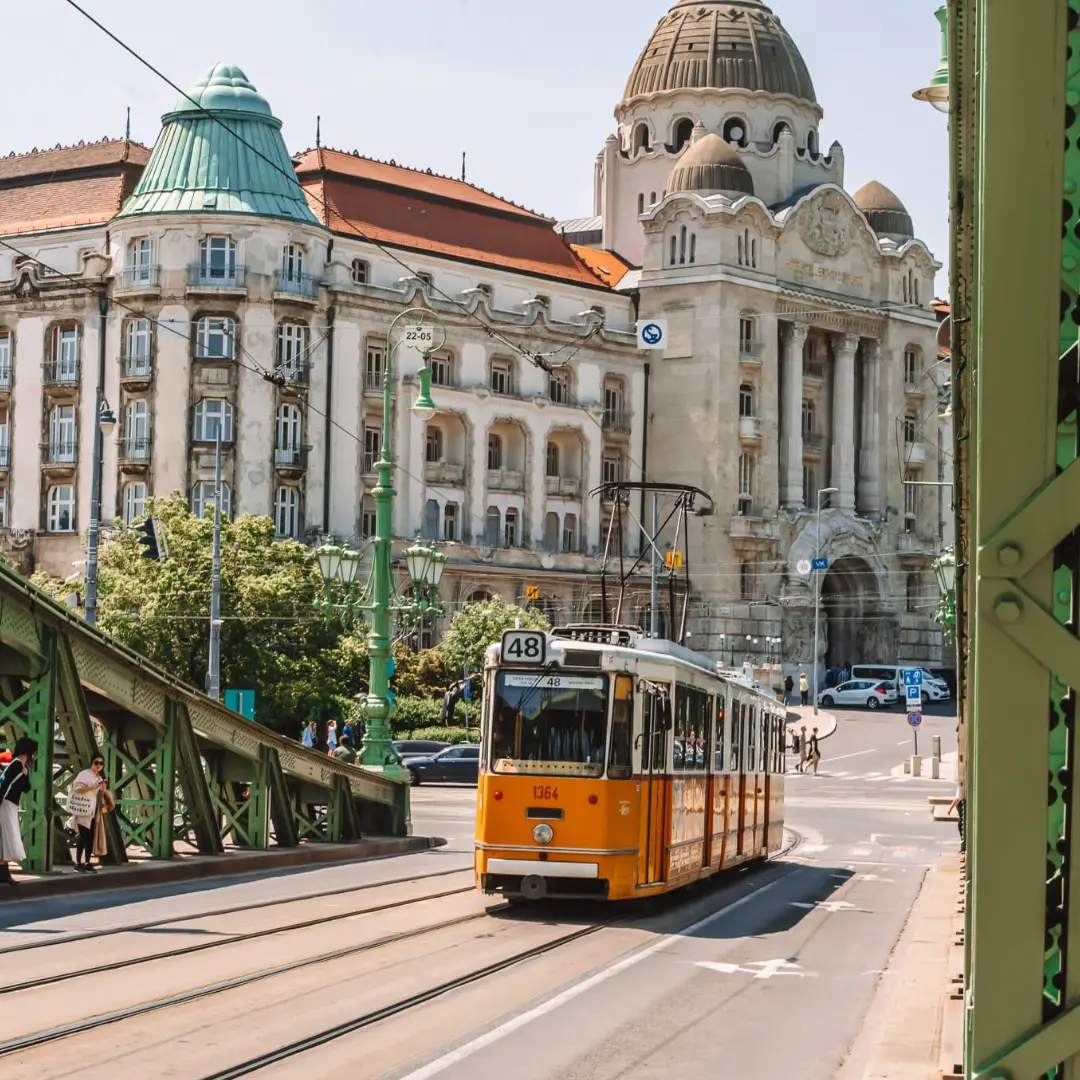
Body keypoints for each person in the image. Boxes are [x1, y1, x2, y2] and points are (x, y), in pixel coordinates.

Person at [0, 737, 38, 885]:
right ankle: (4, 873)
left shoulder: (18, 766)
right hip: (6, 804)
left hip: (9, 804)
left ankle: (4, 873)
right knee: (7, 836)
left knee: (6, 837)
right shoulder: (16, 765)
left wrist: (26, 774)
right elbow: (6, 786)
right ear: (28, 752)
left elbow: (26, 788)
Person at [71, 753, 110, 873]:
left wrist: (103, 789)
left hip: (93, 812)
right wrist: (93, 787)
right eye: (96, 762)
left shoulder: (99, 778)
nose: (99, 765)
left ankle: (87, 862)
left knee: (90, 838)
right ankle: (78, 863)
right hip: (83, 810)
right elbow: (77, 790)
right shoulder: (85, 774)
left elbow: (100, 795)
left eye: (101, 763)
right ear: (91, 763)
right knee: (83, 837)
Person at [949, 778, 966, 853]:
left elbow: (957, 799)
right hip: (960, 811)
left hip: (961, 811)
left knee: (961, 827)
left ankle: (963, 847)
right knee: (961, 826)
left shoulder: (961, 787)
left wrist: (950, 808)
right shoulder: (961, 786)